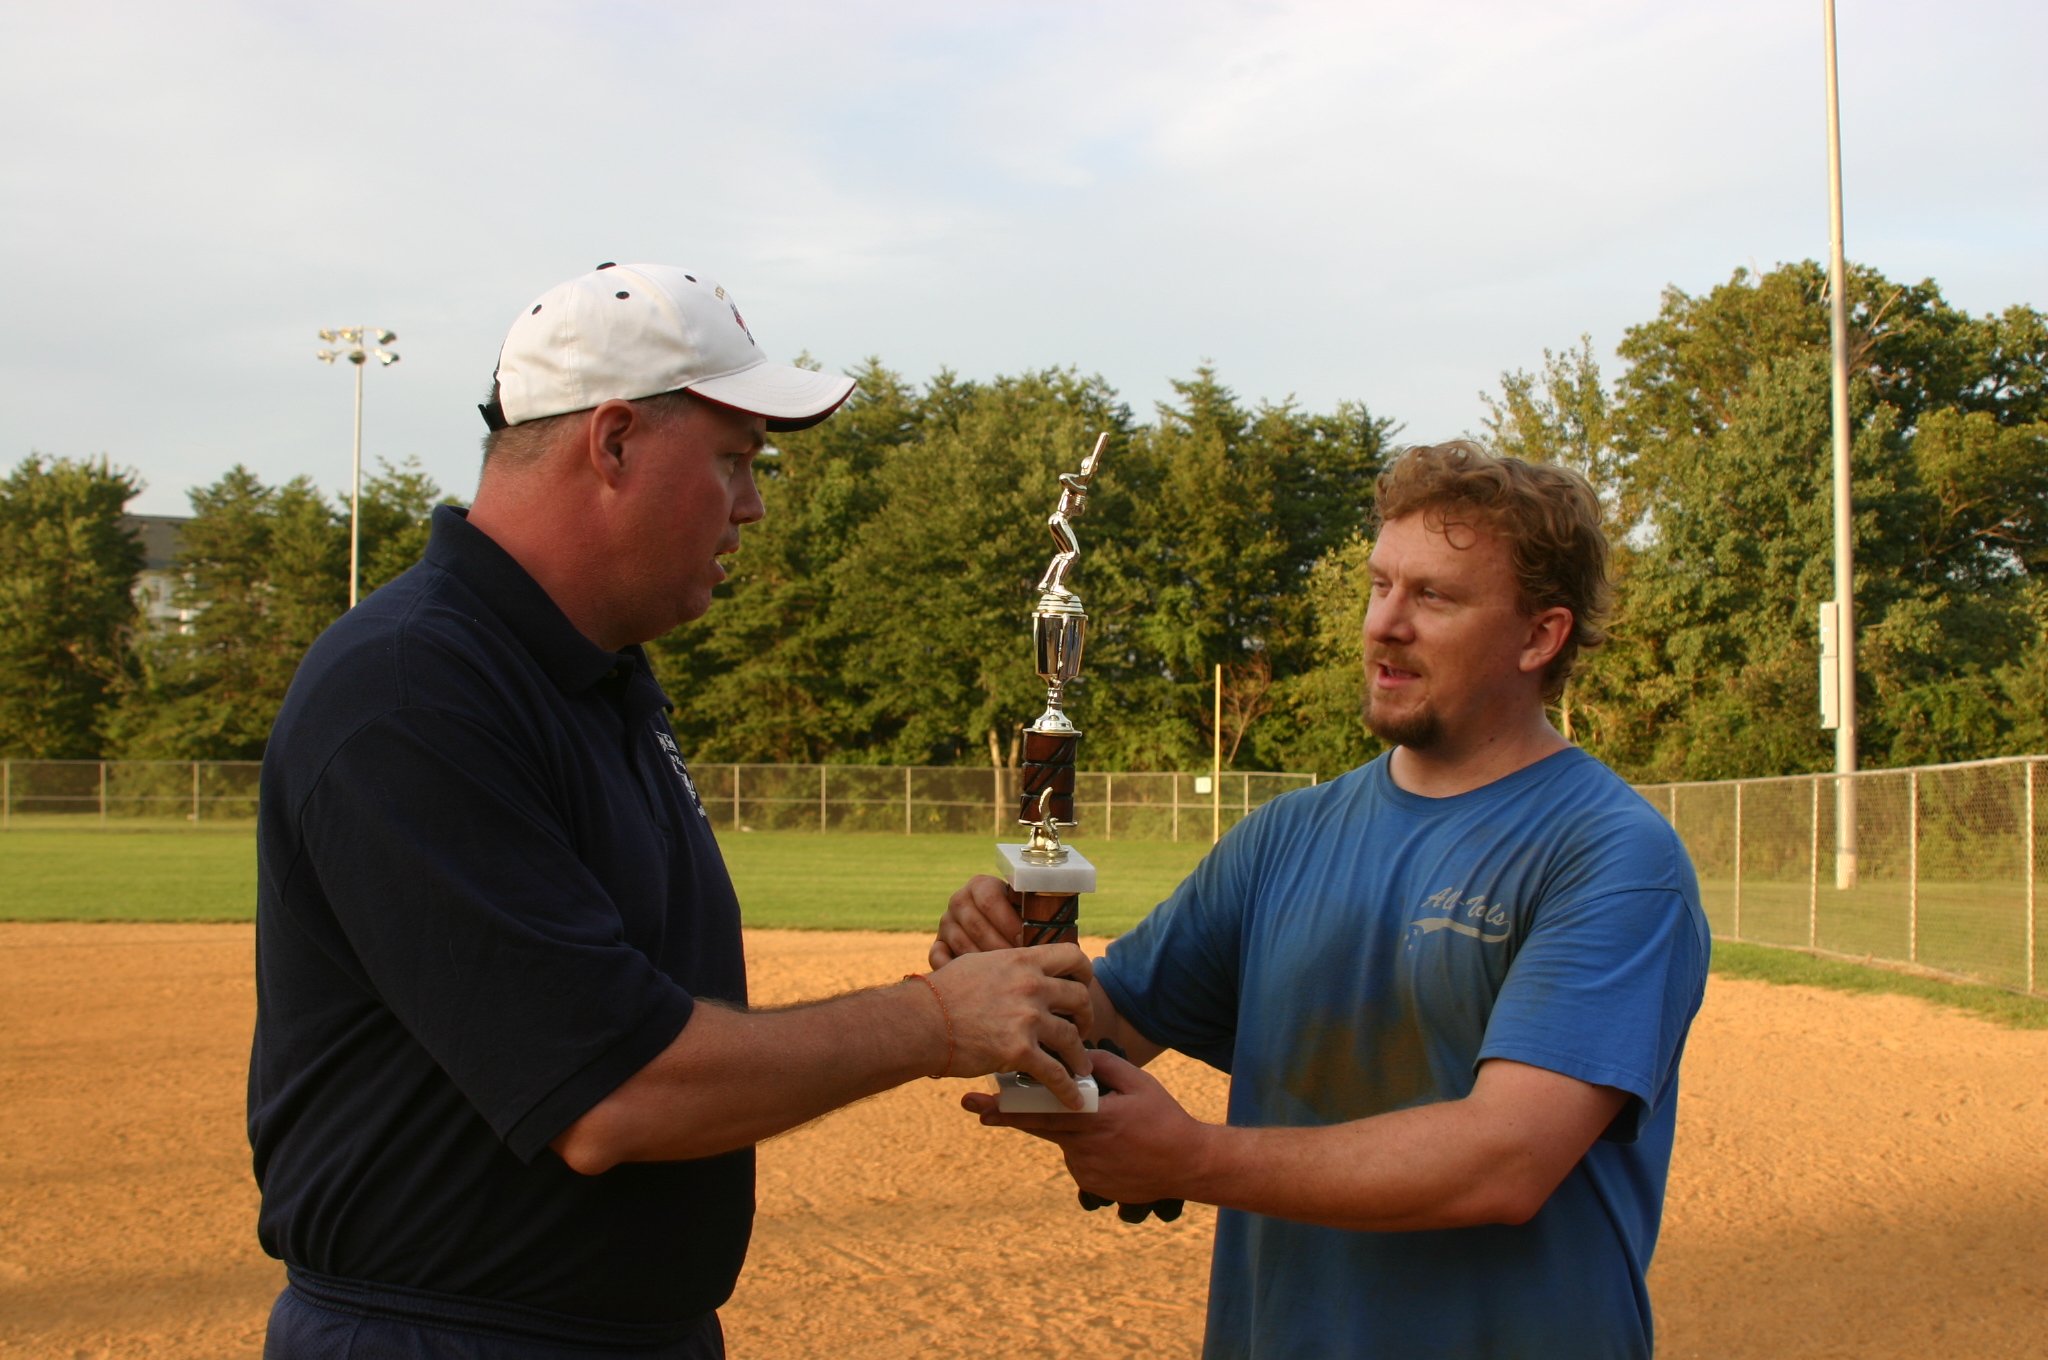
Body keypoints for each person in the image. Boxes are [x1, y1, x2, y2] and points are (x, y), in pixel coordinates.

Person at [249, 263, 1097, 1360]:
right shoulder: (415, 689)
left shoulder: (595, 676)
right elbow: (612, 1092)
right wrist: (936, 1021)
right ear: (610, 443)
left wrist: (965, 980)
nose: (751, 503)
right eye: (736, 462)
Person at [934, 442, 1711, 1360]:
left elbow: (1506, 1161)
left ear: (1541, 636)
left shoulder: (1611, 855)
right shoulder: (1286, 836)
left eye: (1434, 597)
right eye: (1381, 586)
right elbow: (1108, 1026)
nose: (1387, 624)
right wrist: (1016, 960)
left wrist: (1194, 1159)